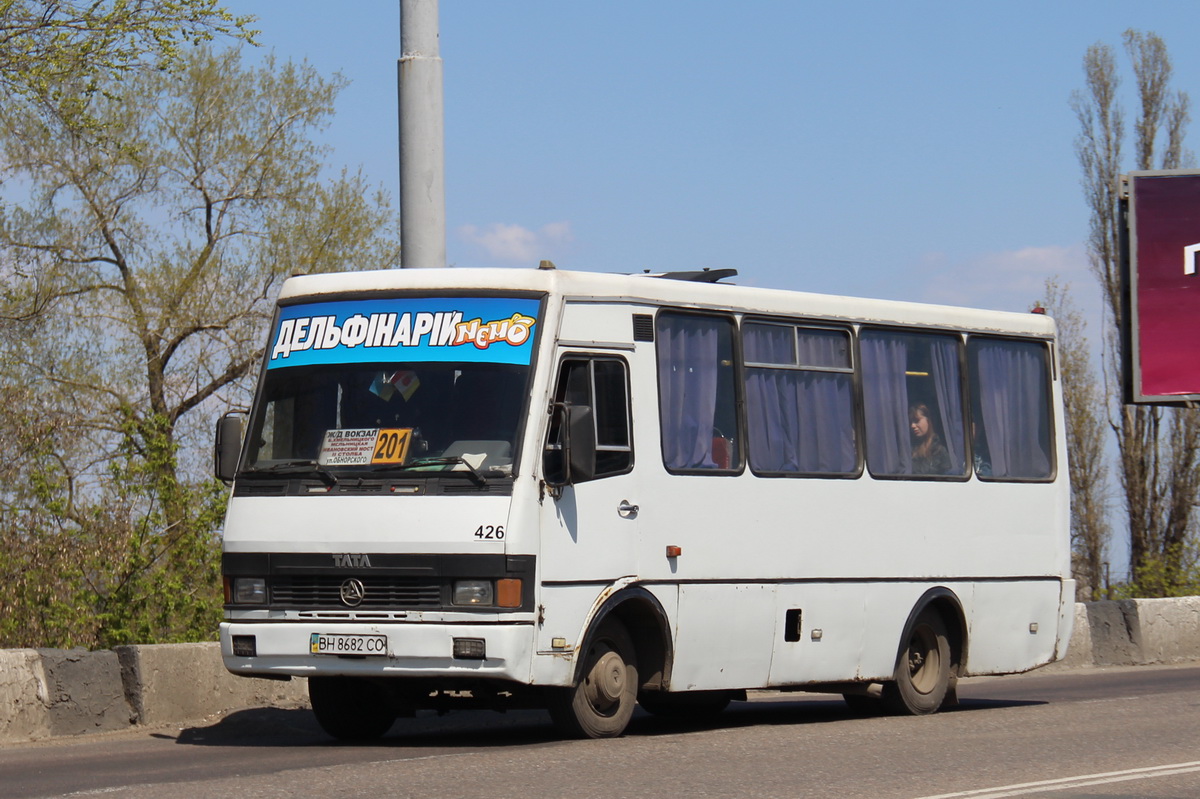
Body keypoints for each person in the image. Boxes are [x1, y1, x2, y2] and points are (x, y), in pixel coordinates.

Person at [910, 402, 950, 475]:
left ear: (928, 421)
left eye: (916, 420)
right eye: (911, 422)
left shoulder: (939, 450)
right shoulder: (910, 449)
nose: (912, 425)